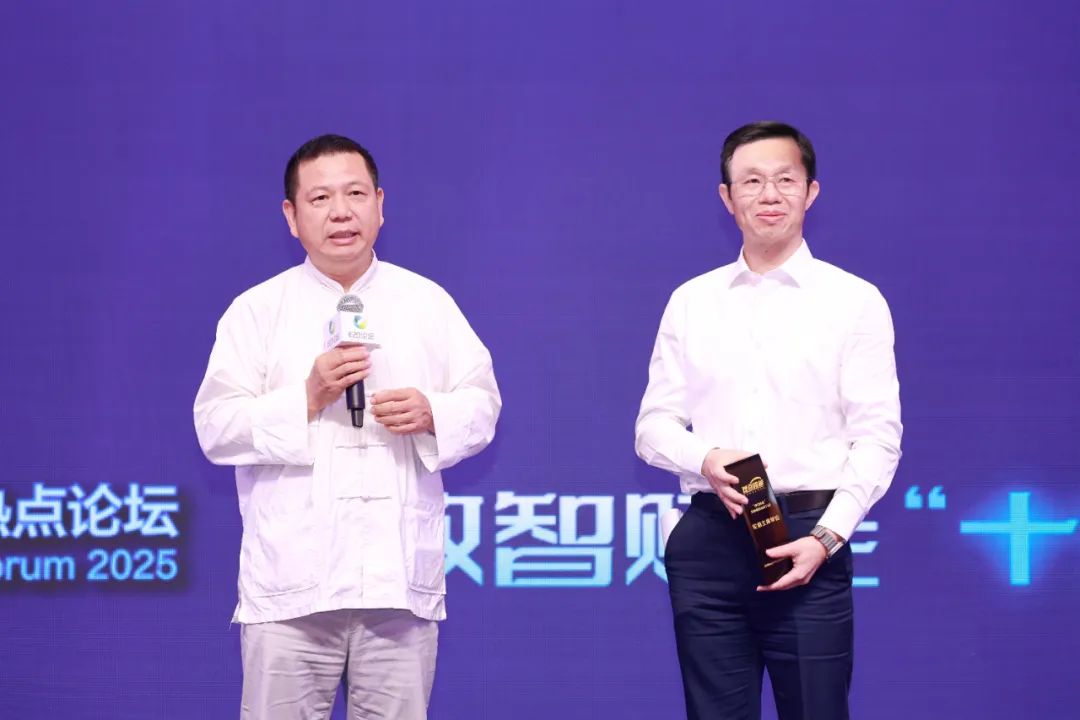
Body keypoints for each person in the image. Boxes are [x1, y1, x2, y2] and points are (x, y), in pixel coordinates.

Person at [194, 134, 501, 719]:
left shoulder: (427, 303)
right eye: (320, 198)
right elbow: (215, 427)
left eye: (356, 194)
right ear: (292, 216)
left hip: (395, 586)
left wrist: (433, 413)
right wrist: (306, 398)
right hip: (291, 589)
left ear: (380, 205)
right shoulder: (257, 310)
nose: (341, 212)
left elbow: (482, 404)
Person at [635, 121, 902, 720]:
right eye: (751, 181)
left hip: (808, 534)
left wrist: (827, 539)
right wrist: (704, 458)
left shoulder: (854, 301)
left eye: (785, 179)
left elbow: (878, 438)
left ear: (811, 191)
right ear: (727, 197)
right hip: (710, 538)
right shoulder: (692, 301)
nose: (769, 194)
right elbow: (652, 427)